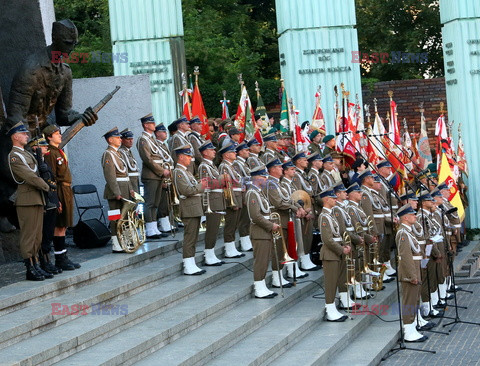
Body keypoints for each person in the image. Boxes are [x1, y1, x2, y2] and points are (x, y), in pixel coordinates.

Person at [6, 19, 97, 135]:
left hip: (43, 137)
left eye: (74, 44)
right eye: (68, 43)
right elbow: (16, 116)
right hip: (21, 139)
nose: (71, 48)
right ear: (54, 38)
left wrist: (82, 117)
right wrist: (28, 147)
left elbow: (63, 115)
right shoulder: (31, 69)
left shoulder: (65, 72)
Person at [7, 122, 50, 280]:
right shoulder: (14, 156)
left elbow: (37, 170)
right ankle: (29, 268)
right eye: (23, 134)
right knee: (28, 236)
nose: (27, 136)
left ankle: (36, 264)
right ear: (15, 136)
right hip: (26, 199)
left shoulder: (27, 154)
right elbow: (30, 176)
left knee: (37, 236)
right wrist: (46, 186)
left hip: (36, 197)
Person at [43, 124, 80, 270]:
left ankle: (63, 256)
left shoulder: (58, 151)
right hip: (59, 189)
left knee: (64, 224)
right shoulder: (50, 153)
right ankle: (60, 257)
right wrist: (55, 198)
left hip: (66, 189)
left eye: (59, 133)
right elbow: (51, 177)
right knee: (59, 224)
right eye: (56, 133)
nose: (59, 135)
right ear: (49, 137)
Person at [265, 158, 305, 288]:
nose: (282, 169)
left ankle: (280, 276)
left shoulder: (278, 183)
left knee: (283, 250)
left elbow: (289, 199)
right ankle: (277, 278)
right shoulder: (270, 184)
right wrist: (294, 208)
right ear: (272, 169)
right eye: (279, 167)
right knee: (279, 250)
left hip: (285, 219)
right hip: (278, 220)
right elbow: (278, 203)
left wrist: (298, 207)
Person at [246, 165, 280, 298]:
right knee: (260, 261)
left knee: (265, 260)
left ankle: (262, 285)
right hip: (259, 232)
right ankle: (259, 288)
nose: (266, 179)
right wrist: (270, 225)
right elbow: (255, 216)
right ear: (257, 178)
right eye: (264, 177)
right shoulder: (252, 193)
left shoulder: (259, 192)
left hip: (264, 231)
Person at [395, 204, 428, 343]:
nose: (415, 216)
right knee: (409, 301)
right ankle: (408, 330)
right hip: (410, 272)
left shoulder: (408, 231)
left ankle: (412, 326)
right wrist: (412, 275)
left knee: (414, 300)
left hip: (415, 269)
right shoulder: (403, 233)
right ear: (405, 217)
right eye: (413, 214)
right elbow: (405, 256)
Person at [172, 145, 206, 275]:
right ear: (180, 157)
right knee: (189, 238)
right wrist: (201, 186)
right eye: (188, 156)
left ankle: (191, 263)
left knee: (194, 237)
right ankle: (188, 264)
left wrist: (198, 185)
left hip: (194, 208)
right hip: (189, 208)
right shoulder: (178, 172)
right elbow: (186, 190)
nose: (190, 158)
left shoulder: (186, 171)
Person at [30, 135, 61, 275]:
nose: (46, 148)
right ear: (35, 148)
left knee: (48, 234)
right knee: (43, 234)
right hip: (44, 201)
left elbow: (52, 182)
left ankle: (48, 261)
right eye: (42, 146)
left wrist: (56, 200)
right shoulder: (34, 163)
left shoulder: (43, 162)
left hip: (51, 200)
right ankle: (44, 261)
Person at [319, 188, 350, 322]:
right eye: (333, 198)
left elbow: (337, 235)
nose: (335, 200)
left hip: (336, 252)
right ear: (326, 200)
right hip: (330, 253)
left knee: (336, 280)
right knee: (331, 283)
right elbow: (328, 239)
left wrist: (344, 246)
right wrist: (341, 249)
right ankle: (330, 309)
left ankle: (333, 308)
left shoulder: (330, 215)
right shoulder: (324, 216)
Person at [137, 114, 170, 239]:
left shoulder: (152, 140)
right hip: (151, 175)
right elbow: (147, 159)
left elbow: (160, 157)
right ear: (145, 125)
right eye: (151, 123)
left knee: (156, 202)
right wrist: (162, 171)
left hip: (158, 175)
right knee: (150, 203)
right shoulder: (143, 139)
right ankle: (150, 228)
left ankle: (154, 227)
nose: (153, 125)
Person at [102, 127, 134, 253]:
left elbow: (125, 174)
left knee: (125, 217)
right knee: (115, 217)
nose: (120, 139)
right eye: (117, 137)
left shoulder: (118, 153)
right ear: (110, 140)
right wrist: (116, 192)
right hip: (116, 191)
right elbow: (110, 176)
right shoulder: (108, 154)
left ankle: (125, 240)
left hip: (124, 188)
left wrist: (131, 189)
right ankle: (116, 243)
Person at [332, 182, 362, 309]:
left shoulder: (343, 207)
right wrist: (356, 239)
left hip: (350, 242)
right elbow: (343, 230)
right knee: (344, 274)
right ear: (337, 194)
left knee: (348, 272)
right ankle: (345, 300)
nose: (346, 193)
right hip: (346, 243)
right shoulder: (337, 209)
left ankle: (348, 298)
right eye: (343, 192)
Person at [198, 141, 226, 266]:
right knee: (212, 230)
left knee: (214, 230)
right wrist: (222, 179)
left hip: (217, 200)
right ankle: (208, 254)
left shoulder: (212, 166)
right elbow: (207, 183)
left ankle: (211, 253)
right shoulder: (204, 166)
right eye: (211, 150)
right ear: (204, 152)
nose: (214, 151)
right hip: (211, 201)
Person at [281, 160, 309, 280]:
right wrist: (298, 208)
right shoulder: (284, 184)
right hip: (289, 215)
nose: (294, 171)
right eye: (291, 169)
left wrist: (302, 208)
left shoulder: (291, 183)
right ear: (285, 171)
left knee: (296, 241)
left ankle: (294, 266)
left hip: (295, 214)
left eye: (294, 169)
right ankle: (291, 268)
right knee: (292, 242)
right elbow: (288, 200)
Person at [291, 151, 319, 271]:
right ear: (298, 161)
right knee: (304, 235)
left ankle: (306, 259)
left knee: (308, 236)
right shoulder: (297, 176)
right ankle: (303, 259)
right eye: (304, 160)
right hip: (304, 207)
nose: (307, 162)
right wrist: (305, 210)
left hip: (309, 205)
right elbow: (298, 194)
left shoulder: (303, 174)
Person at [218, 142, 245, 258]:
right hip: (232, 198)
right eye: (232, 152)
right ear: (226, 155)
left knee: (234, 225)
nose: (235, 153)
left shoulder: (231, 166)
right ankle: (229, 248)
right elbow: (226, 186)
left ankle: (232, 247)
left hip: (238, 196)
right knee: (230, 225)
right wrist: (231, 202)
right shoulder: (224, 167)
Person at [154, 123, 176, 234]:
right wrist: (162, 179)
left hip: (169, 175)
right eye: (163, 132)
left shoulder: (163, 145)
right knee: (163, 201)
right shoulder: (156, 145)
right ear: (157, 133)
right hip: (163, 176)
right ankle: (163, 222)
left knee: (168, 200)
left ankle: (167, 220)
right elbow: (160, 163)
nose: (165, 133)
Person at [232, 141, 253, 252]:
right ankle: (244, 242)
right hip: (244, 194)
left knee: (247, 219)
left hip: (249, 193)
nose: (248, 152)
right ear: (240, 152)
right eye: (246, 150)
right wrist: (245, 197)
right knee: (244, 220)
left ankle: (247, 240)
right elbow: (241, 182)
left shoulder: (244, 163)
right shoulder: (237, 164)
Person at [119, 129, 140, 194]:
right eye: (128, 139)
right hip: (129, 184)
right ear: (122, 140)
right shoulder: (121, 152)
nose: (131, 141)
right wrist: (130, 187)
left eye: (132, 138)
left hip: (134, 182)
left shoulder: (128, 151)